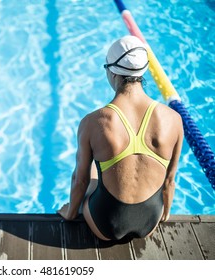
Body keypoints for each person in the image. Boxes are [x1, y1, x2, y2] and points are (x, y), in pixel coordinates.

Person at [58, 35, 183, 241]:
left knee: (91, 172)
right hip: (150, 221)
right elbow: (169, 181)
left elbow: (79, 181)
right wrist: (165, 214)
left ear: (112, 71)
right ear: (143, 72)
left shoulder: (93, 122)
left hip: (105, 224)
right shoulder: (174, 119)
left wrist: (70, 213)